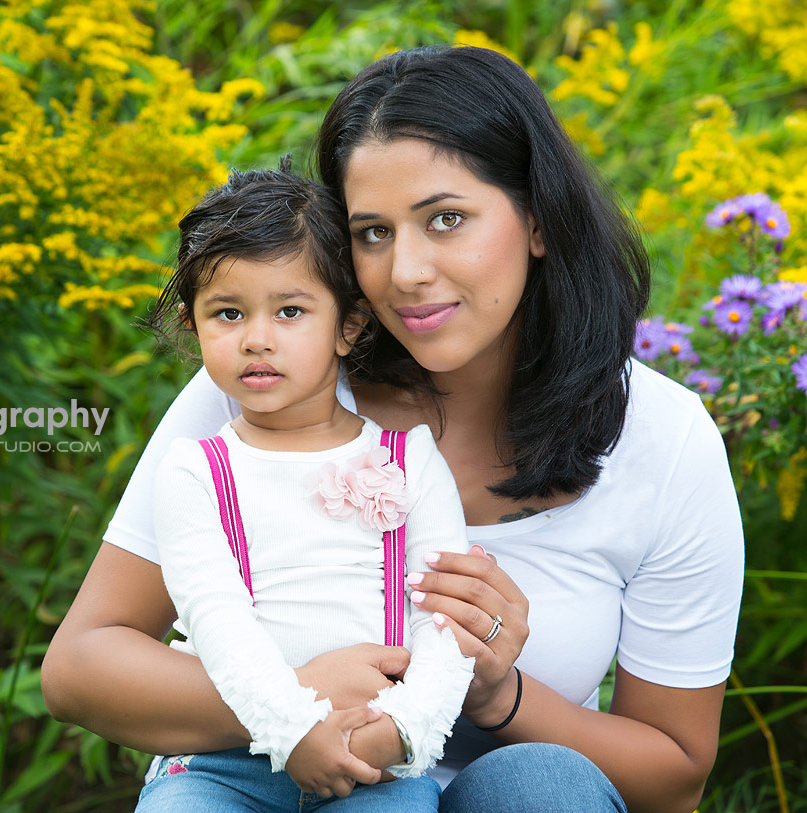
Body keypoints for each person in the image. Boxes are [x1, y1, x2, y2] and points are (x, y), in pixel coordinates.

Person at [42, 44, 745, 813]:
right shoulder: (267, 382)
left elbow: (676, 774)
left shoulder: (663, 438)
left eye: (447, 219)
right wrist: (298, 698)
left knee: (542, 785)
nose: (405, 271)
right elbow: (80, 666)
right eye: (373, 232)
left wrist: (496, 693)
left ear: (538, 220)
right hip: (254, 779)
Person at [135, 161, 475, 810]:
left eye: (290, 310)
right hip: (220, 761)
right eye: (227, 313)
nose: (257, 339)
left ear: (349, 325)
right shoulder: (195, 469)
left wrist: (403, 733)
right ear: (192, 325)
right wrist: (293, 732)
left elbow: (444, 623)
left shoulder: (410, 458)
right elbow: (217, 617)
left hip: (372, 750)